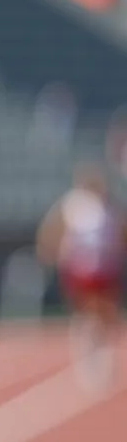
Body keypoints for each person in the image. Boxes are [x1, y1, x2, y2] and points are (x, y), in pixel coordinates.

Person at [36, 161, 127, 391]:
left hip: (106, 267)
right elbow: (54, 229)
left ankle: (101, 352)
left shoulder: (110, 206)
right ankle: (87, 357)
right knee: (86, 313)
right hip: (80, 268)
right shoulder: (73, 205)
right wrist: (49, 250)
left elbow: (120, 232)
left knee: (107, 315)